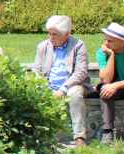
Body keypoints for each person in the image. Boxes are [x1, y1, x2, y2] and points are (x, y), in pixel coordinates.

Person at [34, 15, 90, 146]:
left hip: (72, 85)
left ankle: (79, 137)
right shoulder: (43, 46)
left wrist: (63, 89)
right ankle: (41, 137)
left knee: (74, 94)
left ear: (67, 34)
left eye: (55, 34)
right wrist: (44, 86)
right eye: (49, 33)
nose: (51, 37)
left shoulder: (78, 45)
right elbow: (37, 70)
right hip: (49, 85)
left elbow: (80, 73)